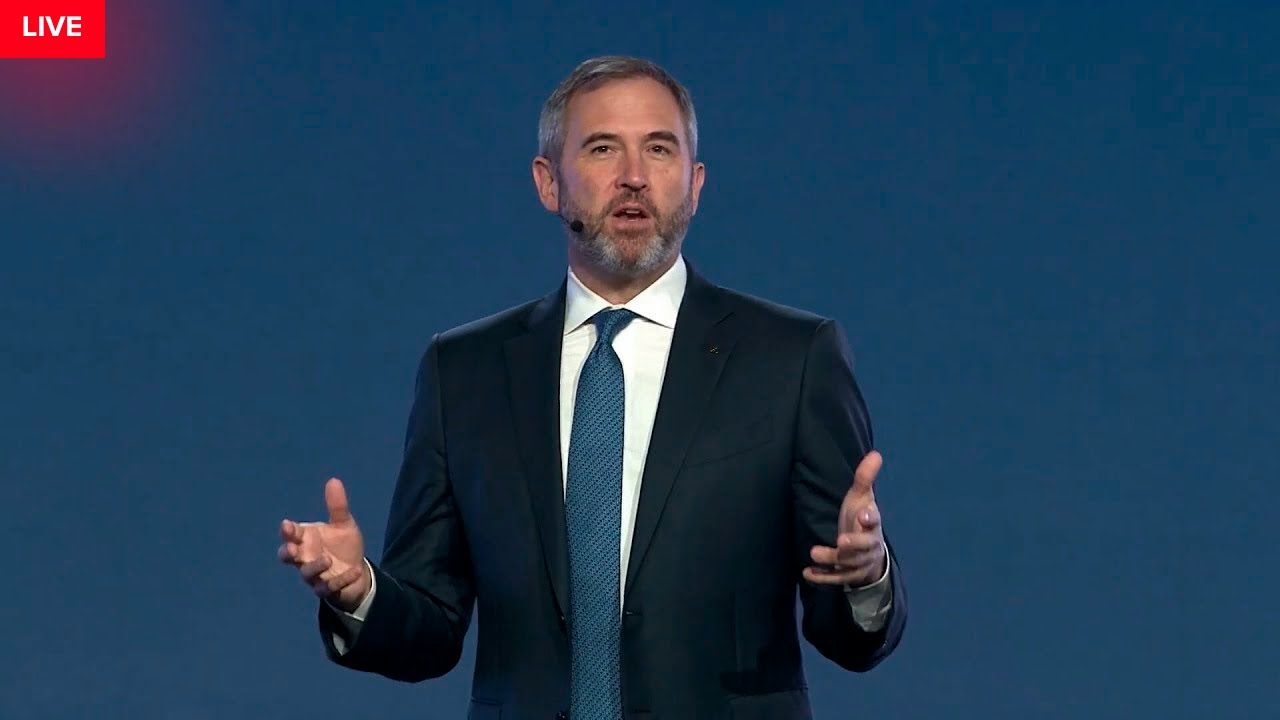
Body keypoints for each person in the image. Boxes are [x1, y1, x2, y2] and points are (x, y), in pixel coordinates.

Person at [277, 55, 907, 719]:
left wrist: (865, 577)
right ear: (548, 183)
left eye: (659, 149)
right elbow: (429, 629)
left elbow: (852, 637)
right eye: (603, 148)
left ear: (695, 184)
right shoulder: (463, 371)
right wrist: (360, 592)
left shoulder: (793, 358)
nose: (634, 175)